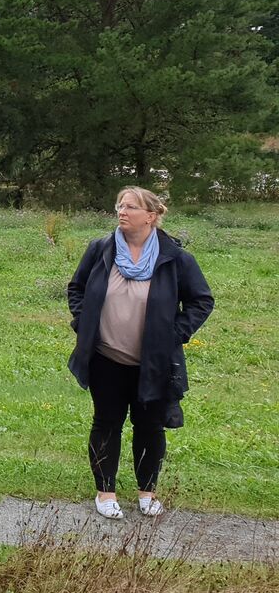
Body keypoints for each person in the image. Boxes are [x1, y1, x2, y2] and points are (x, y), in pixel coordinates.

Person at [67, 187, 214, 519]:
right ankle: (105, 493)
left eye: (131, 207)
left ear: (151, 216)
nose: (122, 211)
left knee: (150, 426)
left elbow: (201, 300)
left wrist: (174, 334)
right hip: (106, 358)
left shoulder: (174, 258)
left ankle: (147, 494)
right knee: (106, 422)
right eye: (120, 205)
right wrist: (83, 322)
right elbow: (76, 287)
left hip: (154, 362)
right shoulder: (101, 249)